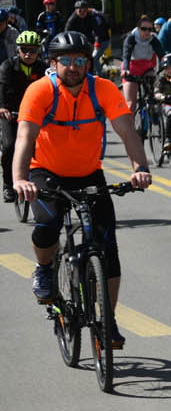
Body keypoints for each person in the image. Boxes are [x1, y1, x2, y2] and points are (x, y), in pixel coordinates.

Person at [11, 31, 154, 332]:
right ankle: (45, 267)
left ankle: (108, 320)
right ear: (53, 62)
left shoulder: (102, 89)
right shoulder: (39, 92)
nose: (74, 67)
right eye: (66, 60)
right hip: (46, 172)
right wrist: (20, 179)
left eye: (80, 61)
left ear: (88, 63)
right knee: (48, 226)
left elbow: (127, 131)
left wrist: (139, 167)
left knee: (108, 249)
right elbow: (24, 138)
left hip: (89, 173)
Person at [0, 30, 47, 203]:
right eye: (24, 50)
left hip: (35, 113)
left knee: (43, 147)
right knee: (10, 146)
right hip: (11, 113)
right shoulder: (7, 66)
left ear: (38, 51)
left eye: (33, 50)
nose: (28, 54)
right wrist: (2, 107)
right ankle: (8, 185)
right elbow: (2, 89)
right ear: (18, 50)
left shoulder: (43, 68)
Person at [118, 14, 166, 102]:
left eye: (150, 29)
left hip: (146, 67)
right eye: (144, 29)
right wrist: (125, 69)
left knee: (152, 101)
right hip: (131, 68)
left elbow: (161, 54)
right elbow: (126, 55)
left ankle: (151, 112)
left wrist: (167, 65)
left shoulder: (153, 39)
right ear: (138, 28)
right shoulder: (131, 38)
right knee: (131, 103)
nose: (147, 32)